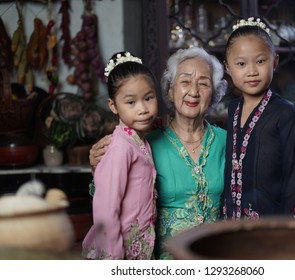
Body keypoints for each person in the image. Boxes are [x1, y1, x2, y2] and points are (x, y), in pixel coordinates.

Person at [89, 47, 227, 259]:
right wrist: (95, 167)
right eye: (185, 81)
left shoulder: (227, 141)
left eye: (203, 83)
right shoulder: (145, 141)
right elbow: (109, 201)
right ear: (170, 90)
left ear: (215, 93)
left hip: (215, 255)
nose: (193, 91)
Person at [221, 17, 295, 220]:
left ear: (274, 62)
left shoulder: (287, 116)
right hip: (233, 222)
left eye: (260, 61)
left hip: (270, 226)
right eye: (241, 64)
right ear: (227, 68)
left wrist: (289, 229)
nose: (251, 71)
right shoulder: (233, 109)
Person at [82, 51, 158, 260]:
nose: (143, 109)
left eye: (149, 98)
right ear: (113, 106)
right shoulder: (120, 147)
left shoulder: (139, 141)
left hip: (140, 247)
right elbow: (106, 209)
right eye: (131, 102)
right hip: (118, 253)